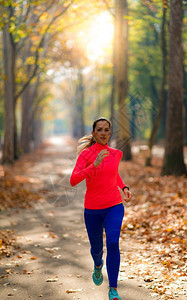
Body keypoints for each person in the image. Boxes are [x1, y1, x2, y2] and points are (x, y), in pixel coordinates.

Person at [70, 117, 132, 300]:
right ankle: (98, 265)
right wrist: (93, 165)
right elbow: (73, 180)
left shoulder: (116, 154)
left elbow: (113, 174)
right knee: (97, 249)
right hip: (92, 210)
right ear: (93, 133)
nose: (103, 133)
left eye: (106, 130)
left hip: (114, 206)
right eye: (99, 130)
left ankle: (113, 289)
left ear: (109, 133)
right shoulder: (86, 155)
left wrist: (124, 187)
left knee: (113, 243)